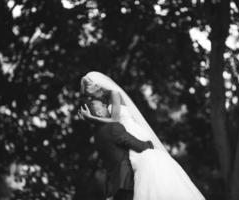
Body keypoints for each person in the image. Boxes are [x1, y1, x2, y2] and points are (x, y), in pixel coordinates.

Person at [80, 71, 206, 200]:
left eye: (91, 94)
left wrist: (92, 118)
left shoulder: (115, 94)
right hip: (123, 133)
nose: (93, 97)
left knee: (147, 162)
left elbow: (115, 119)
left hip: (131, 131)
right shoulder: (106, 99)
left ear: (97, 86)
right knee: (138, 169)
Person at [79, 99, 154, 200]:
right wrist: (150, 144)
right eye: (102, 105)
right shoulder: (112, 127)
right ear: (99, 113)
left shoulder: (97, 136)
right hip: (126, 182)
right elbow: (139, 146)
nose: (106, 105)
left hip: (113, 187)